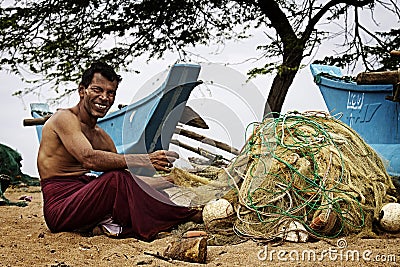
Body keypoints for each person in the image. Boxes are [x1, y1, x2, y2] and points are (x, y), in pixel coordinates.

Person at [37, 62, 200, 241]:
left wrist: (172, 180)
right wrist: (145, 160)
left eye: (110, 93)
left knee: (133, 184)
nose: (104, 97)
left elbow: (128, 181)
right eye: (97, 90)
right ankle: (185, 216)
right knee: (114, 179)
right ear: (82, 90)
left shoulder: (102, 137)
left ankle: (103, 227)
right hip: (61, 209)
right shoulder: (64, 118)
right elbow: (88, 159)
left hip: (87, 201)